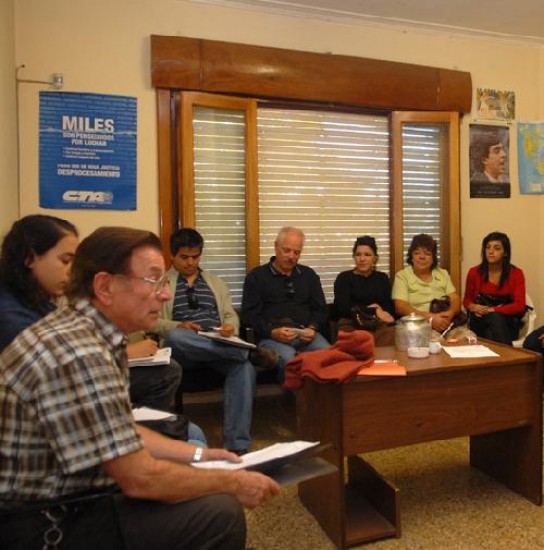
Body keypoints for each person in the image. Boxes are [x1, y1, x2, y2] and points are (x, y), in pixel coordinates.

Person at [0, 226, 280, 550]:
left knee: (195, 477)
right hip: (43, 524)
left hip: (70, 497)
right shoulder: (78, 351)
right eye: (154, 280)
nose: (164, 294)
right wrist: (231, 482)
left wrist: (202, 454)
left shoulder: (93, 334)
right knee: (220, 512)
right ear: (105, 286)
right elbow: (138, 477)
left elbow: (119, 428)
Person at [0, 215, 183, 416]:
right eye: (66, 260)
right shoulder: (14, 320)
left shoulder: (42, 303)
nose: (72, 271)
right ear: (29, 258)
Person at [157, 228, 276, 455]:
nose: (191, 262)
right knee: (176, 337)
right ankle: (247, 351)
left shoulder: (215, 282)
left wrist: (230, 328)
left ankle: (237, 445)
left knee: (243, 368)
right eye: (184, 257)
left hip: (217, 343)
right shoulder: (163, 283)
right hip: (185, 348)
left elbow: (231, 315)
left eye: (195, 257)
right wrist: (178, 325)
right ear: (173, 255)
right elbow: (152, 321)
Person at [241, 226, 330, 381]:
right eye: (286, 250)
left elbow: (321, 310)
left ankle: (324, 404)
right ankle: (302, 405)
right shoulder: (257, 277)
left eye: (297, 252)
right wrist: (271, 331)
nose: (291, 256)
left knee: (329, 357)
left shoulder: (309, 276)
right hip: (272, 337)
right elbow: (249, 315)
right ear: (276, 247)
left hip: (305, 335)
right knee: (291, 362)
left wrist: (313, 327)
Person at [463, 231, 526, 345]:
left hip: (507, 324)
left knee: (494, 321)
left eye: (497, 248)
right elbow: (467, 300)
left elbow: (520, 306)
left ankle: (497, 359)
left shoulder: (516, 273)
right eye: (488, 248)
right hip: (480, 321)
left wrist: (493, 310)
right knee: (490, 327)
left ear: (505, 253)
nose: (491, 252)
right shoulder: (474, 272)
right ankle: (507, 358)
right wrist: (473, 307)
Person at [333, 235, 395, 346]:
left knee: (393, 333)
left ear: (375, 258)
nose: (362, 259)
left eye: (367, 255)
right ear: (354, 257)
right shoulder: (344, 278)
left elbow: (389, 308)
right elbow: (343, 309)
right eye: (358, 254)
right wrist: (375, 310)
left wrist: (376, 311)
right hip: (351, 323)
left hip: (378, 324)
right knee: (358, 339)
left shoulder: (382, 278)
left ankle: (383, 363)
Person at [392, 233, 461, 332]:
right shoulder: (402, 276)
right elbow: (401, 307)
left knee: (468, 339)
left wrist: (451, 312)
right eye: (417, 253)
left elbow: (454, 298)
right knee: (437, 344)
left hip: (447, 322)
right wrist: (430, 318)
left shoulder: (442, 273)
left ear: (433, 258)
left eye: (427, 254)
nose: (422, 257)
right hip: (418, 325)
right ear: (411, 256)